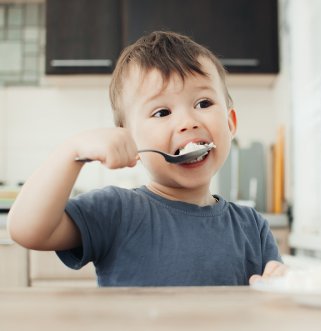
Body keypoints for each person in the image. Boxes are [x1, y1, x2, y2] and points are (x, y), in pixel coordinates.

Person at [7, 31, 287, 286]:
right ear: (127, 138)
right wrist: (71, 151)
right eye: (162, 112)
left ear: (230, 123)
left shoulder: (253, 228)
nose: (188, 122)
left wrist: (279, 284)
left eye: (203, 103)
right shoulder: (116, 212)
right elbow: (27, 230)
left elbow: (270, 306)